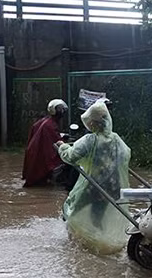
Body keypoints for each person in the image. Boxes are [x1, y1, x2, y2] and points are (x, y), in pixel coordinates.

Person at [56, 99, 131, 254]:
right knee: (97, 216)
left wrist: (62, 146)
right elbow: (125, 155)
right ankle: (100, 244)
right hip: (113, 186)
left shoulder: (90, 139)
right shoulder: (116, 139)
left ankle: (76, 248)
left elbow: (71, 156)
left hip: (93, 186)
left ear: (94, 123)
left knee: (73, 213)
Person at [22, 99, 69, 187]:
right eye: (60, 109)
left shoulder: (45, 121)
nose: (62, 111)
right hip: (39, 155)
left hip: (33, 153)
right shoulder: (50, 125)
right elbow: (57, 143)